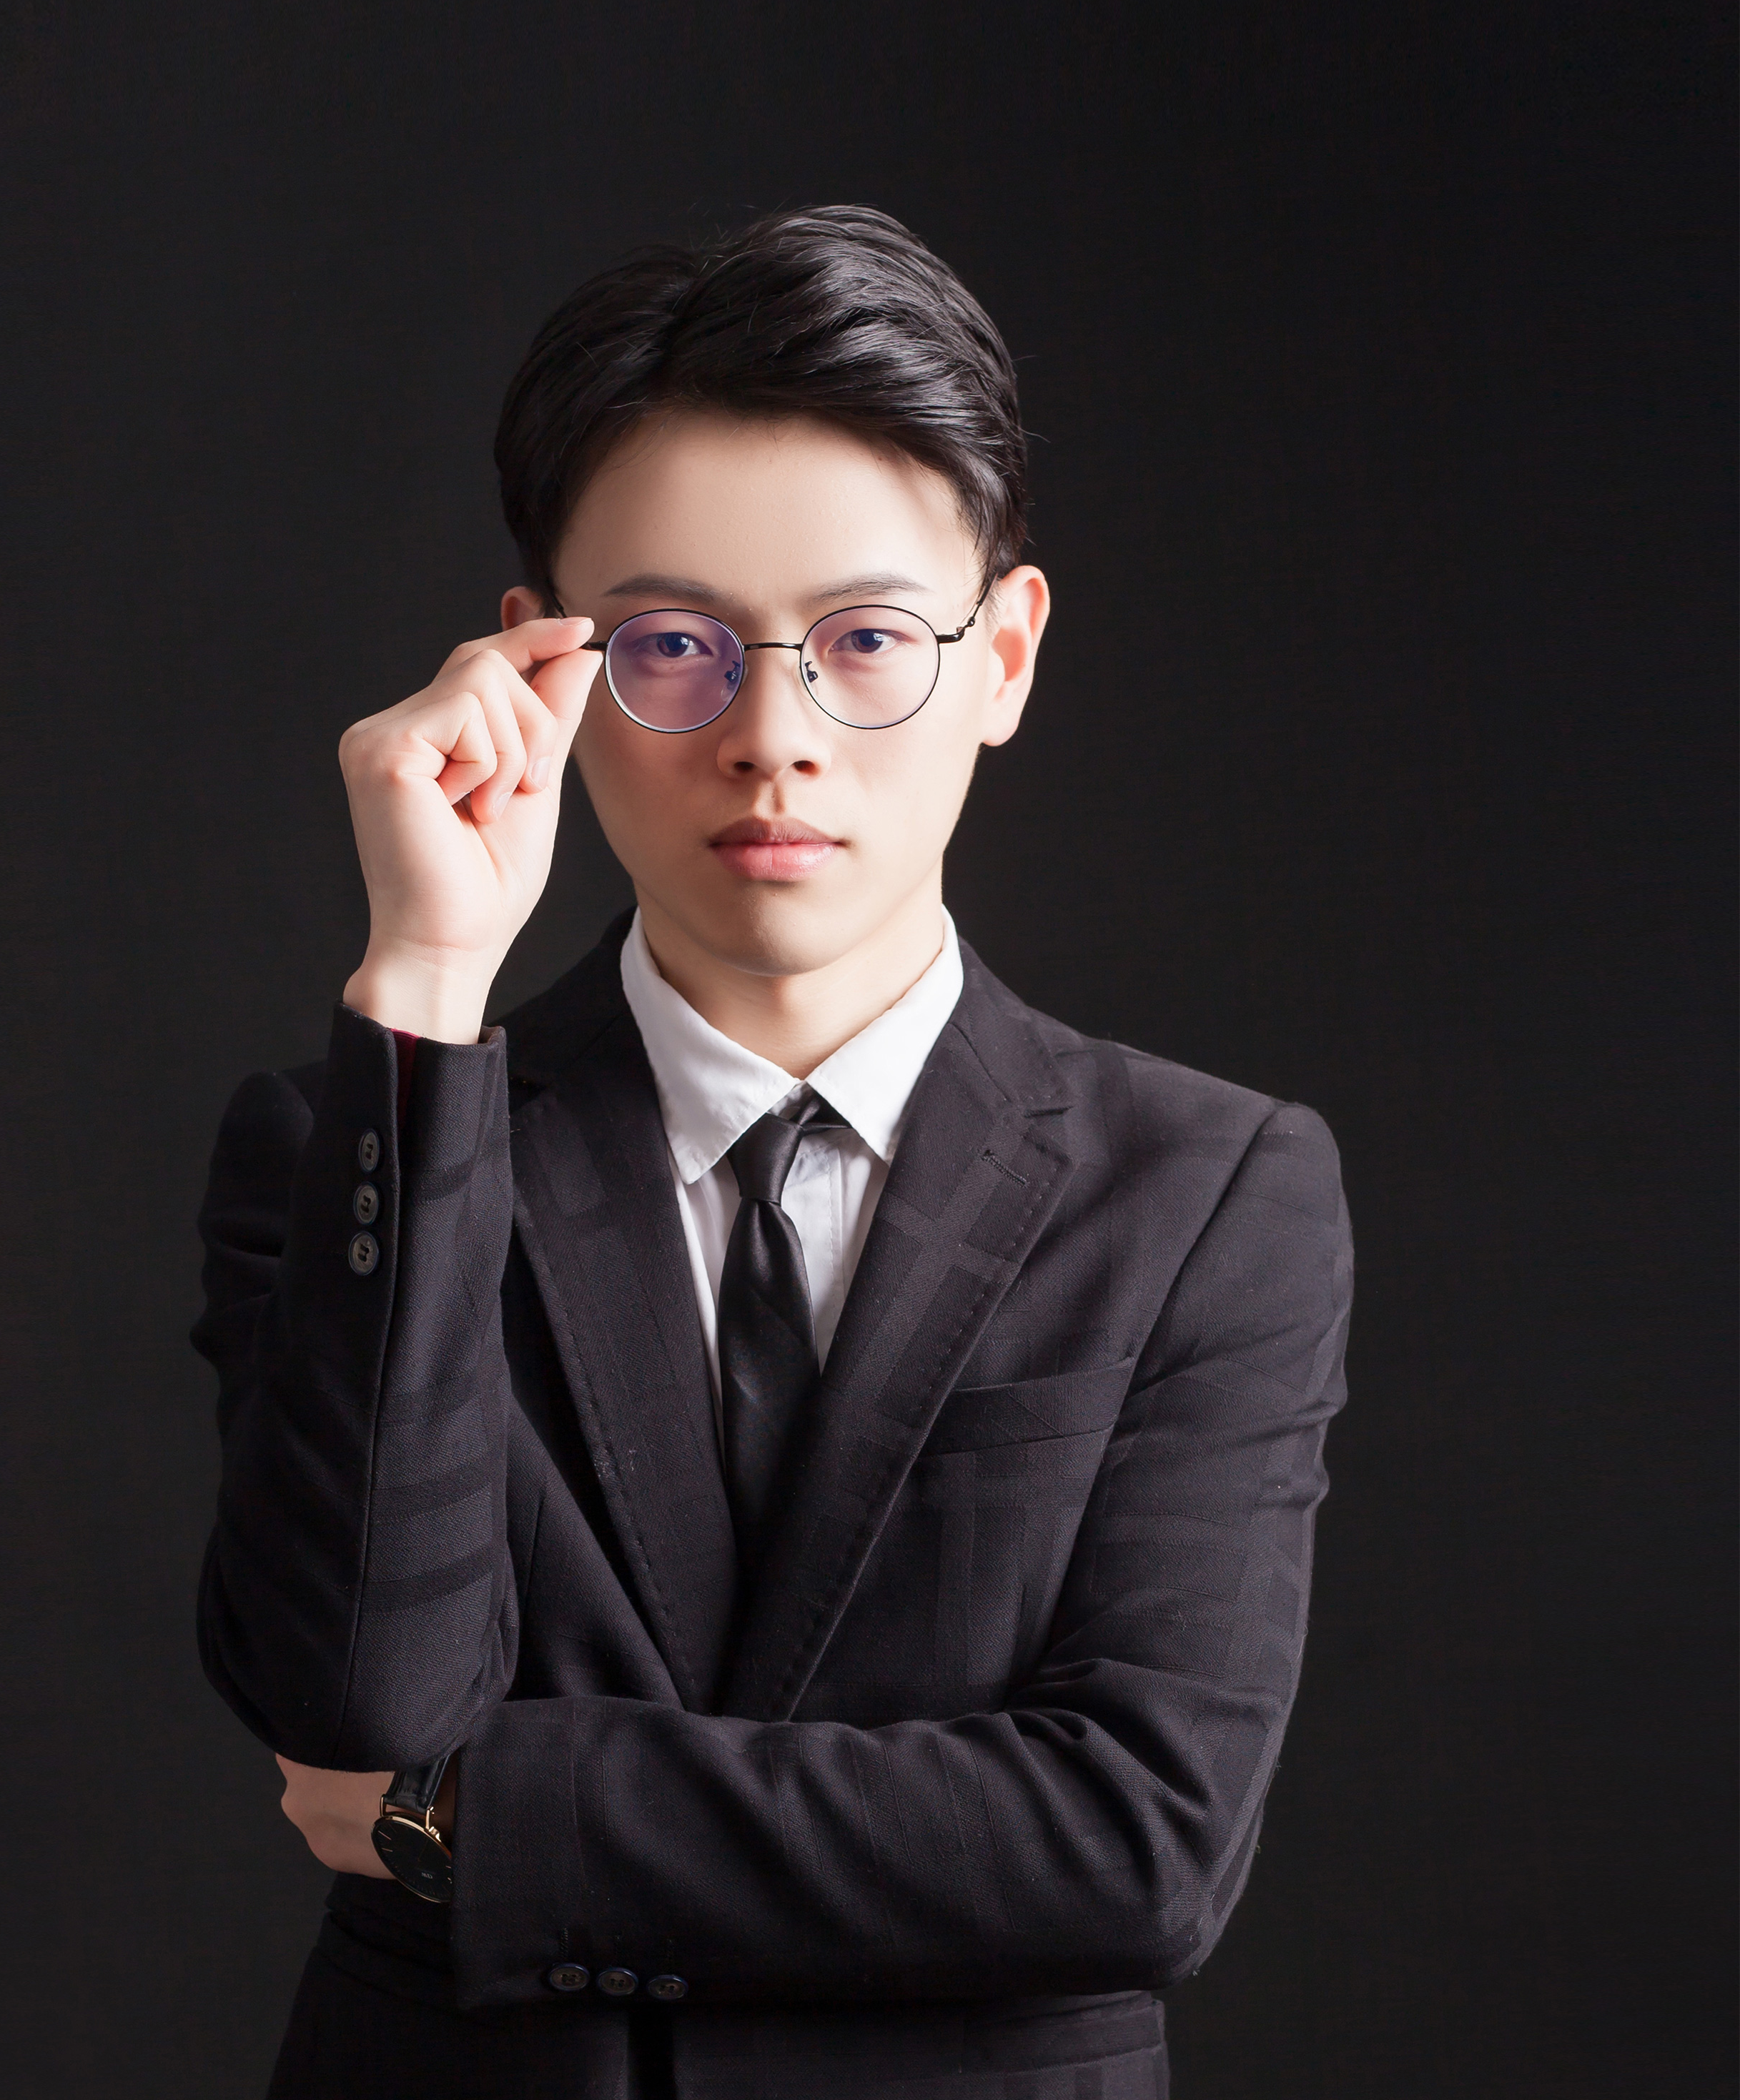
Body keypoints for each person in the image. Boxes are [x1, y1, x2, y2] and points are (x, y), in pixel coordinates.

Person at [189, 204, 1353, 2100]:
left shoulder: (1211, 1190)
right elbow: (360, 1699)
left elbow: (1138, 1847)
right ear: (542, 666)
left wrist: (478, 1821)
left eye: (868, 641)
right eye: (671, 646)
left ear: (1004, 657)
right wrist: (426, 984)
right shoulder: (361, 1134)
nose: (771, 738)